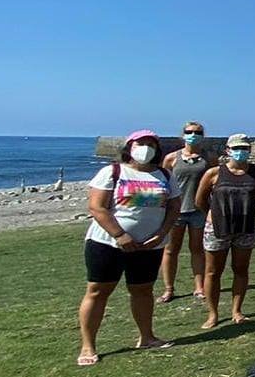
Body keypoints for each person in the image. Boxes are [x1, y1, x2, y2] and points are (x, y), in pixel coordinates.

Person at [76, 130, 179, 365]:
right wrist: (120, 235)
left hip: (150, 246)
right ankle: (88, 346)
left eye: (151, 144)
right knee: (98, 291)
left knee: (142, 290)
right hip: (108, 244)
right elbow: (97, 207)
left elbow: (173, 208)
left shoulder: (164, 175)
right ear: (129, 147)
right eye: (140, 143)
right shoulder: (112, 172)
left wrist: (161, 234)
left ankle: (147, 337)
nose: (145, 148)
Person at [194, 133, 255, 329]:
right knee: (212, 272)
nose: (240, 152)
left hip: (245, 228)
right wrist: (214, 214)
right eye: (236, 148)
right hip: (217, 229)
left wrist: (248, 212)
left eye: (244, 148)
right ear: (227, 150)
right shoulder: (214, 173)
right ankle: (213, 314)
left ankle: (237, 310)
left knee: (241, 269)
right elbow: (200, 200)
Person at [160, 121, 210, 303]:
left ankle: (199, 287)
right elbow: (162, 184)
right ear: (183, 134)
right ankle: (168, 289)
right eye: (189, 132)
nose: (193, 135)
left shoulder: (208, 158)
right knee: (171, 250)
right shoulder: (172, 158)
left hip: (198, 211)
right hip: (175, 211)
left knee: (197, 249)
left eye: (197, 132)